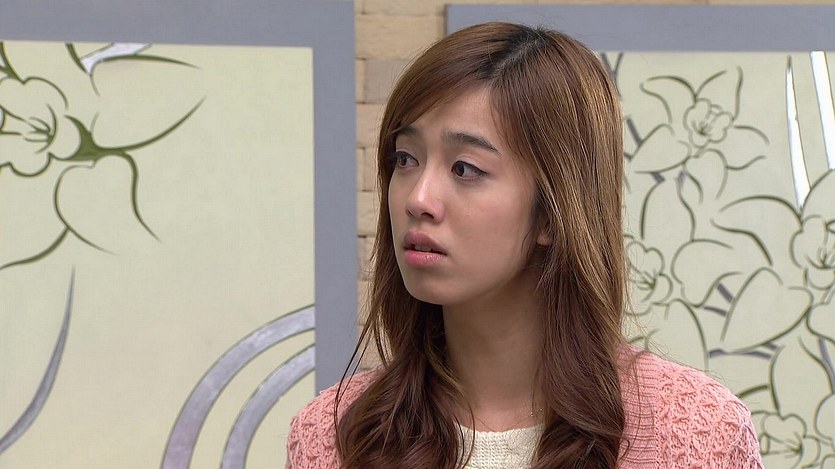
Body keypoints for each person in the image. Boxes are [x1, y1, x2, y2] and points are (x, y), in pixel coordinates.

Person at [286, 22, 763, 469]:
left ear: (553, 212)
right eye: (405, 159)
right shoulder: (331, 436)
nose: (418, 199)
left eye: (464, 169)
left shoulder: (697, 434)